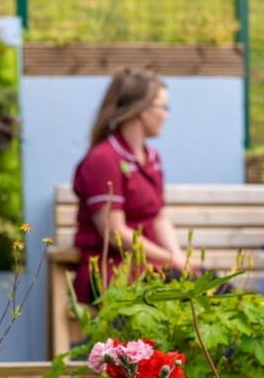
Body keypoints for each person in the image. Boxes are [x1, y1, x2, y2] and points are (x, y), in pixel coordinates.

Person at [71, 68, 193, 304]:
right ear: (140, 110)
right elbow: (115, 233)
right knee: (196, 298)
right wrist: (170, 259)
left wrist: (178, 255)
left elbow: (159, 218)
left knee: (217, 288)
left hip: (153, 267)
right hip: (113, 274)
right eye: (163, 107)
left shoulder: (152, 157)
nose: (166, 115)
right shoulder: (104, 159)